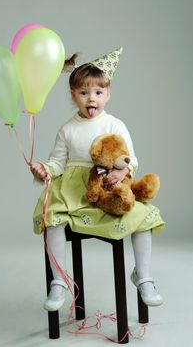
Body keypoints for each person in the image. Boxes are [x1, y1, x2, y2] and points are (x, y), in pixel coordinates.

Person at [31, 48, 165, 312]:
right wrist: (44, 170)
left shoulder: (115, 124)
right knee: (53, 218)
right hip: (73, 191)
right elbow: (57, 162)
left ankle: (143, 275)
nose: (91, 99)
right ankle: (60, 279)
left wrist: (123, 173)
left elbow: (131, 158)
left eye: (98, 93)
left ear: (107, 95)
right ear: (73, 96)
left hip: (107, 189)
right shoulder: (68, 129)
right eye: (83, 93)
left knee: (142, 217)